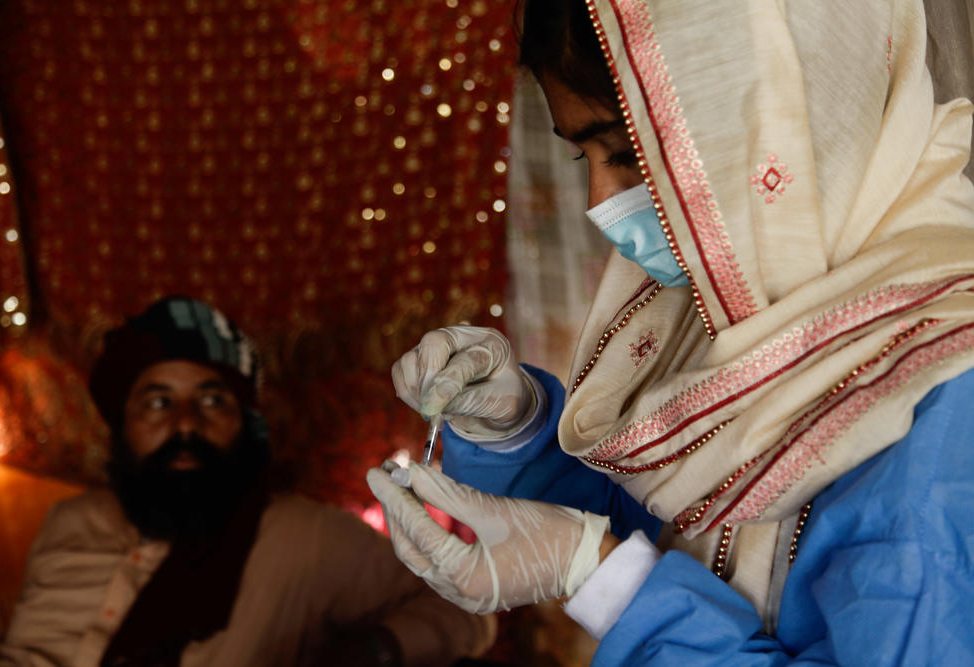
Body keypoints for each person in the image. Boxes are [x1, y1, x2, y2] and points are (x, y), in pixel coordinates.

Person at [367, 0, 974, 664]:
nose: (600, 203)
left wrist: (608, 580)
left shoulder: (941, 400)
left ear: (784, 124)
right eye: (583, 160)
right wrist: (517, 426)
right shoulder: (741, 309)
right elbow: (671, 519)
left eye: (628, 154)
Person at [0, 296, 495, 667]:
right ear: (121, 424)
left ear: (246, 425)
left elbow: (466, 609)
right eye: (156, 402)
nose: (186, 424)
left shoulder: (306, 539)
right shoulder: (72, 520)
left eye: (213, 400)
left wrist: (374, 651)